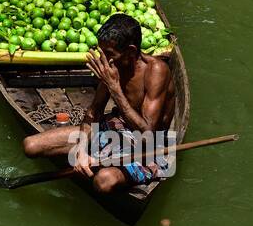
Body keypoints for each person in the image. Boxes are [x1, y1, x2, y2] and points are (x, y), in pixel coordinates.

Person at [21, 14, 176, 194]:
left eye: (110, 54)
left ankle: (108, 162)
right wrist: (81, 151)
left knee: (103, 182)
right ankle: (97, 155)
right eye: (101, 52)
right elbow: (94, 112)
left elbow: (147, 133)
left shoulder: (156, 71)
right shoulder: (112, 66)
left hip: (149, 146)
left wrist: (115, 89)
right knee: (30, 146)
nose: (104, 59)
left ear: (131, 52)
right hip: (115, 128)